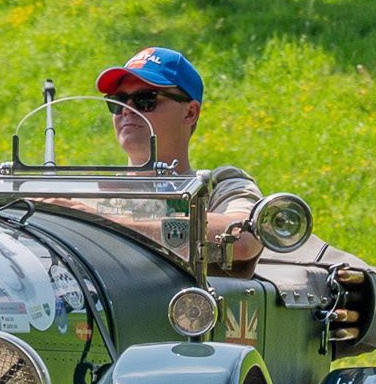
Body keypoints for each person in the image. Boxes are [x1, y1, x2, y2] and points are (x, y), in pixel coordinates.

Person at [93, 45, 265, 273]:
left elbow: (242, 238)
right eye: (118, 101)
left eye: (145, 100)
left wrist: (103, 224)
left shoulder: (220, 188)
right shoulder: (89, 191)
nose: (127, 110)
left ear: (190, 113)